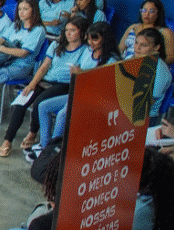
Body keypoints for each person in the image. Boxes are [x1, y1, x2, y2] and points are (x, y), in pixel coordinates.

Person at [0, 17, 88, 157]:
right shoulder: (57, 45)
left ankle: (33, 132)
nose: (68, 33)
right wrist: (32, 84)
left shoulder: (85, 50)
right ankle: (7, 140)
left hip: (64, 85)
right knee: (22, 100)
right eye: (67, 30)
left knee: (40, 101)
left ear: (81, 32)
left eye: (73, 30)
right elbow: (44, 66)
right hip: (46, 80)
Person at [31, 20, 119, 156]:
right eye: (89, 39)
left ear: (105, 39)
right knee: (43, 106)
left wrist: (82, 75)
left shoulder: (111, 61)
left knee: (62, 115)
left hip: (94, 100)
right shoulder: (88, 52)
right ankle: (44, 145)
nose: (91, 42)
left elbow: (104, 89)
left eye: (95, 39)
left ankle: (52, 153)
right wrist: (77, 74)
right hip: (79, 92)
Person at [118, 0, 174, 65]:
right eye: (144, 10)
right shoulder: (132, 27)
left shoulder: (166, 32)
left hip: (149, 67)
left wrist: (152, 63)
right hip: (126, 64)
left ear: (158, 14)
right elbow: (120, 49)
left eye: (151, 11)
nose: (146, 14)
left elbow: (173, 57)